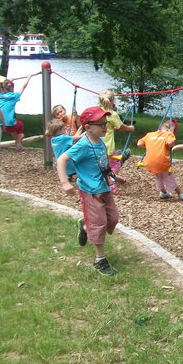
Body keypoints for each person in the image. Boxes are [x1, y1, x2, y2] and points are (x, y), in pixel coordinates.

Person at [57, 106, 120, 276]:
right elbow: (62, 159)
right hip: (90, 191)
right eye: (101, 125)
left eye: (106, 123)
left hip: (104, 188)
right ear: (88, 127)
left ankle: (86, 226)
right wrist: (65, 183)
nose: (105, 127)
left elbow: (102, 165)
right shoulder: (83, 145)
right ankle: (100, 260)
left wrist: (116, 178)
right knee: (99, 223)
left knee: (113, 218)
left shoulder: (100, 141)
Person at [137, 120, 183, 201]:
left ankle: (163, 192)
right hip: (162, 162)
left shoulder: (149, 134)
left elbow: (139, 144)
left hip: (149, 162)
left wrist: (151, 145)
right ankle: (180, 194)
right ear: (170, 129)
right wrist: (171, 135)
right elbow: (170, 144)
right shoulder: (168, 134)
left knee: (158, 177)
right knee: (169, 177)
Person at [98, 89, 134, 191]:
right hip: (107, 146)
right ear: (113, 100)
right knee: (115, 164)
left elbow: (107, 126)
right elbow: (121, 127)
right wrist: (130, 128)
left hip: (96, 145)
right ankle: (112, 185)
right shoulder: (112, 114)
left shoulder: (97, 112)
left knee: (102, 165)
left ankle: (107, 181)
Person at [0, 74, 34, 150]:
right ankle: (18, 142)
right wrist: (28, 78)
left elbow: (3, 86)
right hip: (8, 123)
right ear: (11, 88)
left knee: (13, 129)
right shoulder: (13, 96)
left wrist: (9, 81)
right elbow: (23, 87)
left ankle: (18, 143)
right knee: (20, 125)